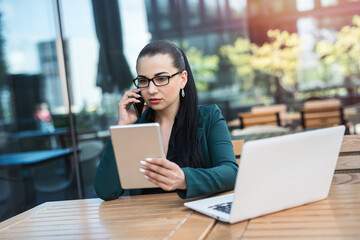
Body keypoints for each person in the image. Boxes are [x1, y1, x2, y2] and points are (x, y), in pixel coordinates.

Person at [94, 40, 238, 200]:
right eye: (143, 81)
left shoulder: (208, 117)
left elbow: (231, 172)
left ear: (183, 79)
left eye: (161, 78)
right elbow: (105, 191)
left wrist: (184, 179)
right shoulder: (136, 127)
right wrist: (122, 130)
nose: (151, 90)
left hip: (196, 218)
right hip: (145, 220)